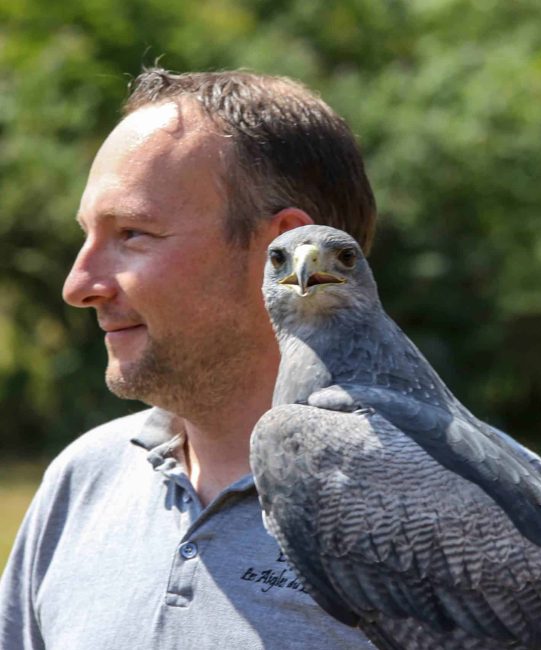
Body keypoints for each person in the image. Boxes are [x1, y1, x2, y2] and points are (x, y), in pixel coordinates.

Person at [0, 68, 376, 649]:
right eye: (87, 236)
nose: (78, 285)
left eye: (131, 234)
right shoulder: (83, 481)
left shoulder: (477, 513)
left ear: (289, 255)